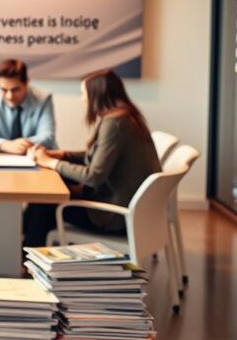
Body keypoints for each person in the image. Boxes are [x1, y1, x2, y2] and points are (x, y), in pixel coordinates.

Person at [22, 69, 161, 247]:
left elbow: (93, 176)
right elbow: (99, 155)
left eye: (83, 93)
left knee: (43, 204)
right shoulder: (126, 117)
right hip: (132, 209)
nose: (82, 99)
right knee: (47, 195)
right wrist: (60, 155)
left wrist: (50, 162)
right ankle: (27, 248)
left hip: (113, 217)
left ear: (96, 95)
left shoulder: (115, 124)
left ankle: (25, 258)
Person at [0, 59, 57, 155]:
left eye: (15, 89)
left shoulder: (43, 99)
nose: (10, 96)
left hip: (37, 158)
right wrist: (5, 145)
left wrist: (19, 145)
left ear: (26, 83)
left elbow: (48, 137)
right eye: (4, 90)